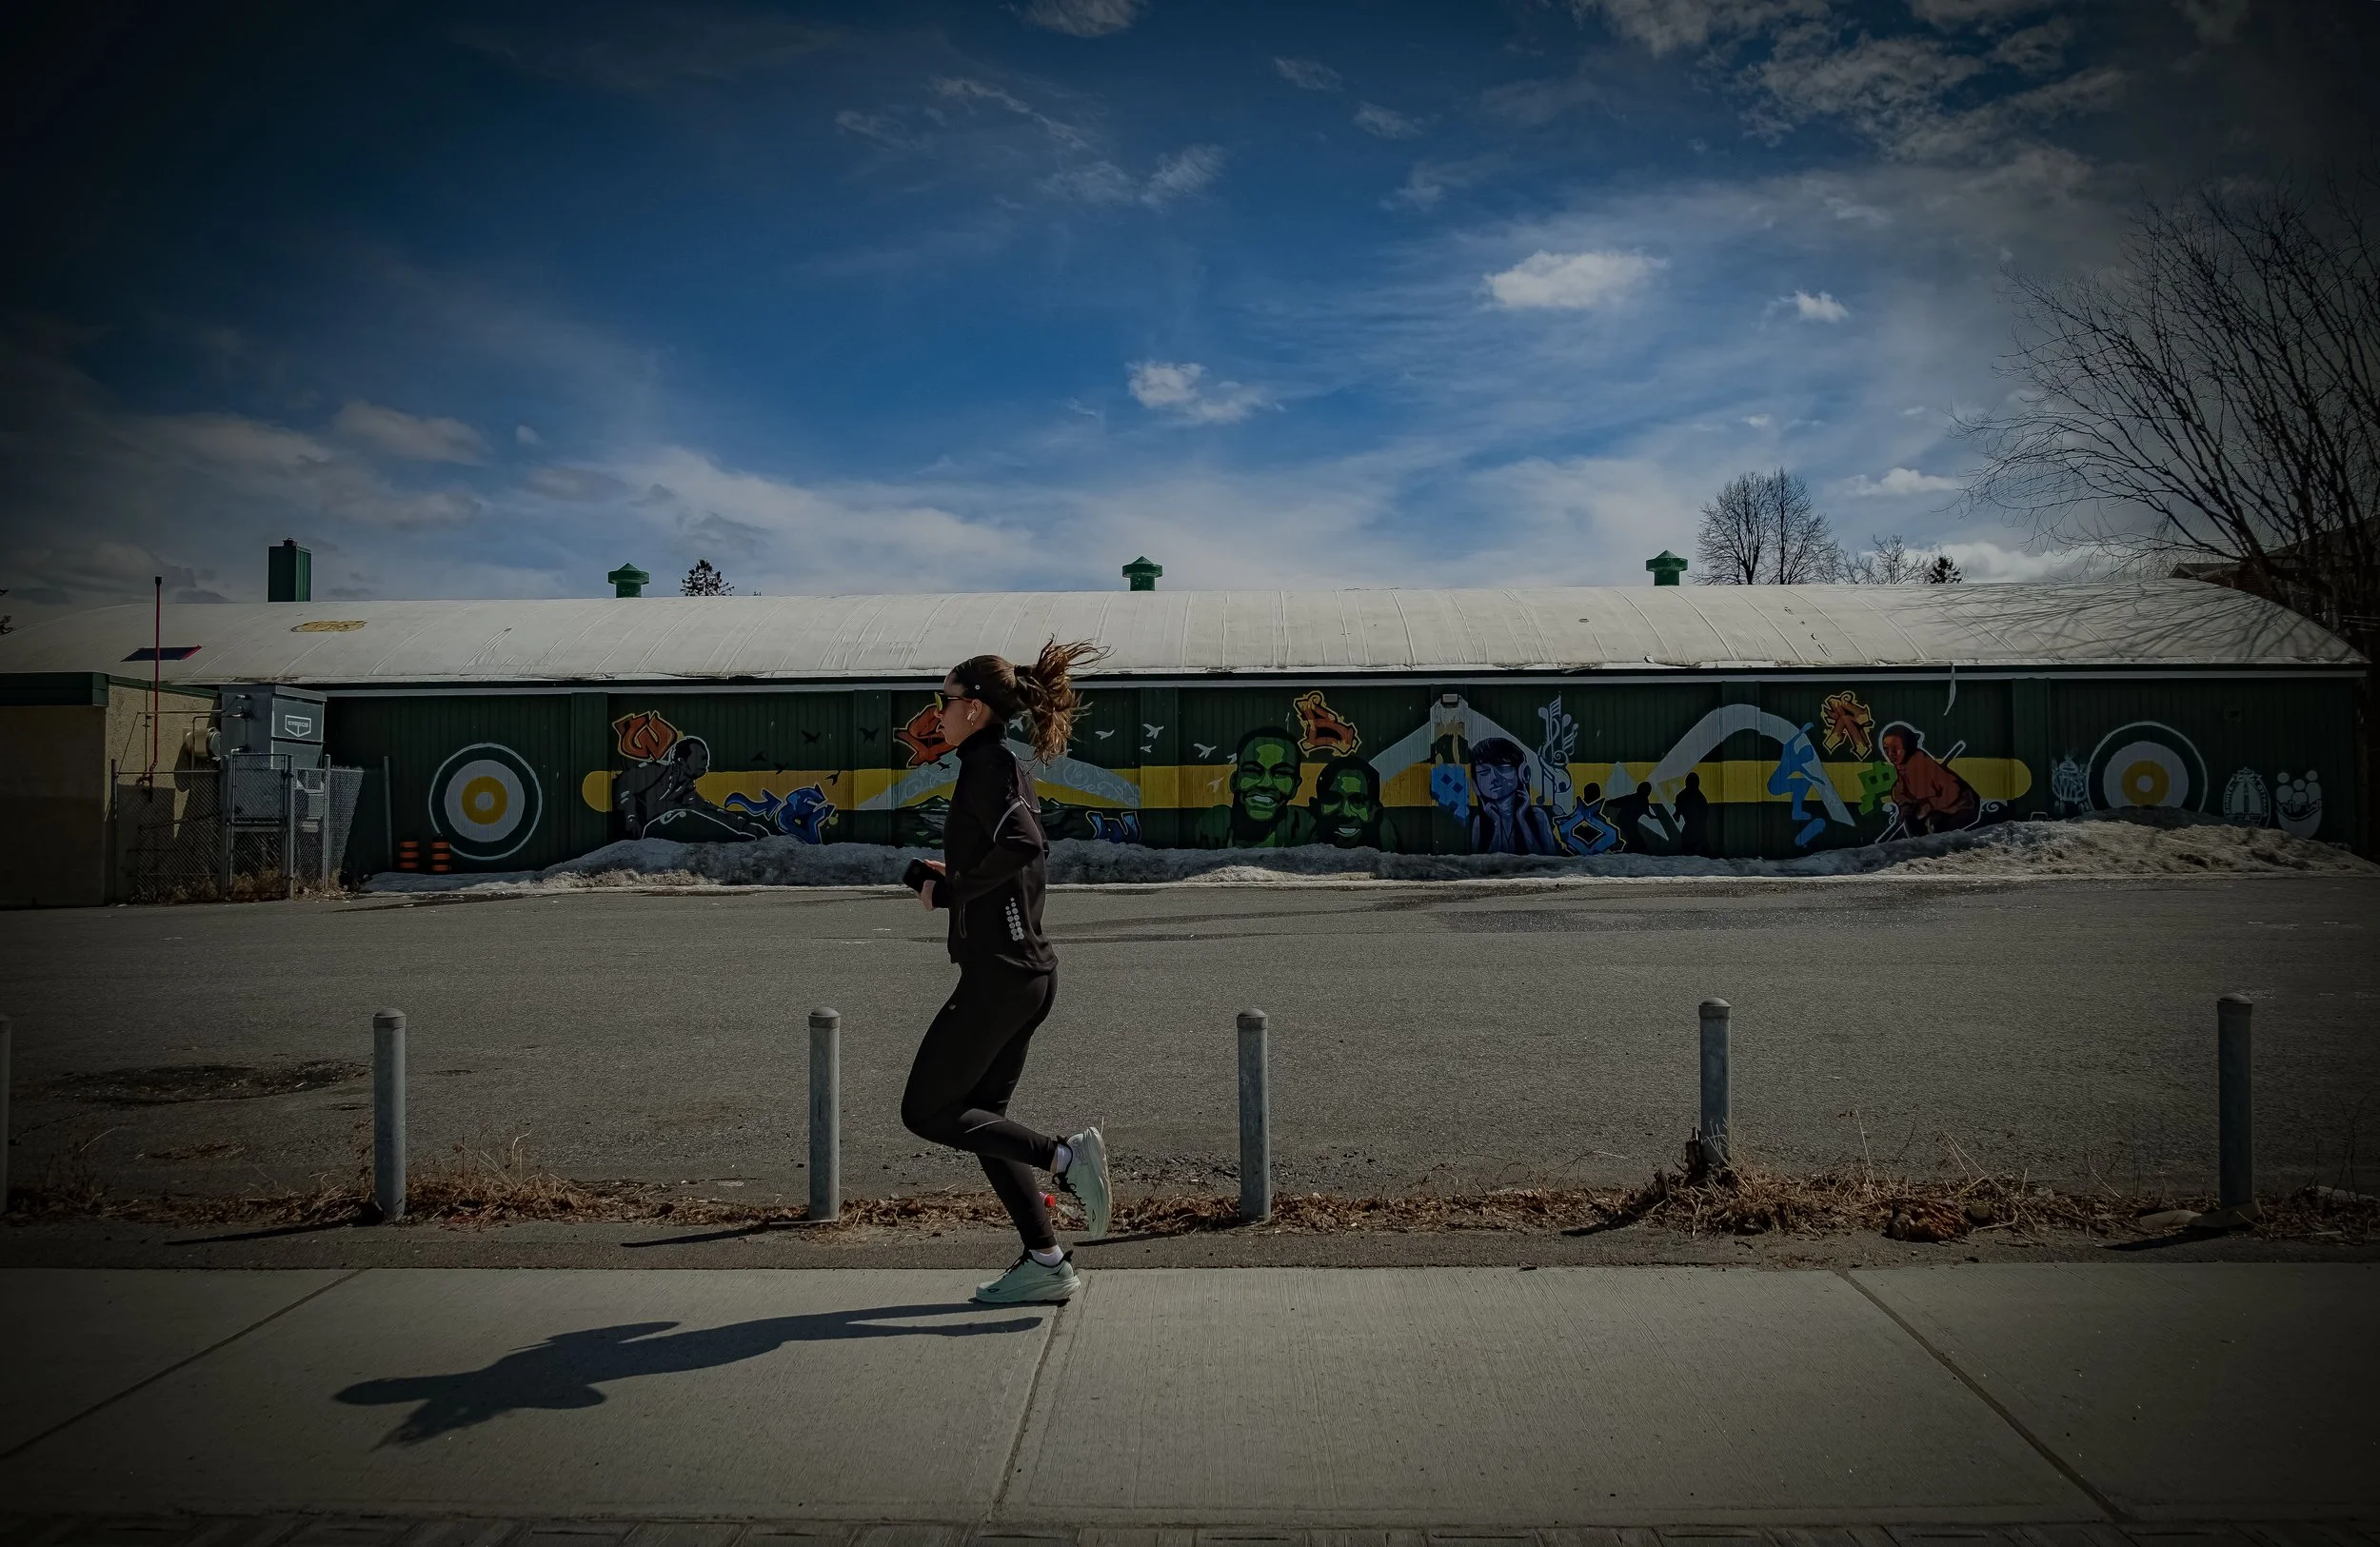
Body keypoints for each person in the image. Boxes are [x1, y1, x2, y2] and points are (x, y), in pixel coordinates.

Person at [902, 639, 1115, 1305]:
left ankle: (1065, 1157)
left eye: (947, 699)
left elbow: (1025, 842)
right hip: (1020, 971)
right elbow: (1009, 854)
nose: (937, 712)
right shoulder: (995, 764)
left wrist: (959, 888)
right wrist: (952, 878)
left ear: (978, 708)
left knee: (927, 1110)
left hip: (1001, 974)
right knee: (983, 1117)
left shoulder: (987, 765)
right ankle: (1047, 1260)